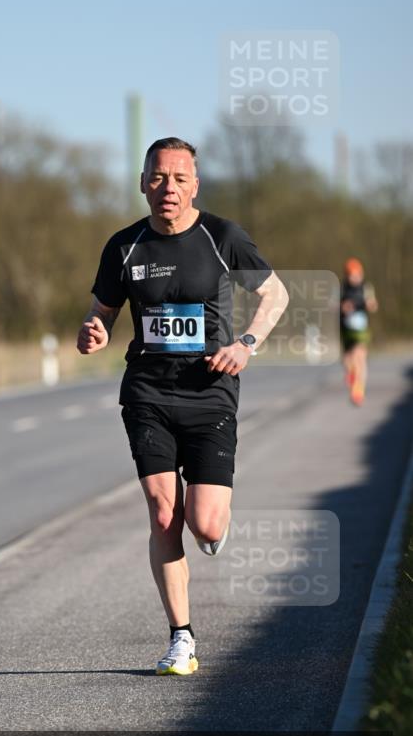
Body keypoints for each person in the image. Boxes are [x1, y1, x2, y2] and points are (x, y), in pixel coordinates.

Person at [77, 138, 289, 676]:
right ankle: (181, 638)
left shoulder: (223, 237)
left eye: (178, 178)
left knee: (206, 526)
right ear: (142, 183)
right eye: (157, 177)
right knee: (162, 513)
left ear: (194, 185)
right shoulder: (124, 246)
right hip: (147, 393)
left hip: (209, 391)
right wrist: (93, 329)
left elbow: (276, 295)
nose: (167, 187)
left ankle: (210, 527)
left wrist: (246, 344)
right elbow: (102, 311)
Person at [340, 258, 378, 407]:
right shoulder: (342, 289)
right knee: (347, 359)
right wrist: (343, 307)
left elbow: (373, 305)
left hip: (361, 328)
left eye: (357, 275)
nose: (355, 278)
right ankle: (353, 376)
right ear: (347, 275)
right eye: (352, 275)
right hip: (346, 328)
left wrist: (368, 304)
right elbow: (332, 306)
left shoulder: (366, 287)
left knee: (359, 355)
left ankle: (358, 389)